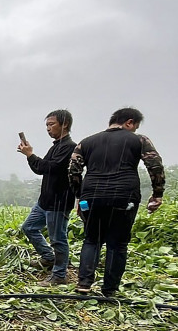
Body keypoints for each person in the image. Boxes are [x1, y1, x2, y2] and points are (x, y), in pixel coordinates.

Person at [68, 107, 165, 296]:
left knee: (92, 240)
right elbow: (155, 165)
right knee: (117, 243)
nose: (134, 130)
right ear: (129, 122)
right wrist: (157, 193)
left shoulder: (86, 142)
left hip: (91, 197)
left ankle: (84, 283)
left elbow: (73, 170)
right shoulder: (139, 140)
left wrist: (80, 196)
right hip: (124, 197)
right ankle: (109, 290)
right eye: (134, 127)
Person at [17, 110, 76, 286]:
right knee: (29, 227)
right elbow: (40, 168)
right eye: (47, 126)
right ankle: (48, 258)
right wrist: (30, 156)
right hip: (45, 201)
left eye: (51, 124)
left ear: (64, 124)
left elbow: (48, 167)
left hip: (59, 202)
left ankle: (59, 275)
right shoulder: (56, 146)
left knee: (58, 239)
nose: (48, 129)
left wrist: (30, 154)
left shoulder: (69, 147)